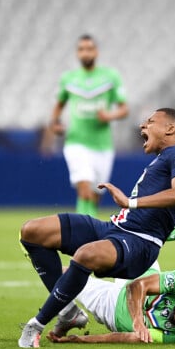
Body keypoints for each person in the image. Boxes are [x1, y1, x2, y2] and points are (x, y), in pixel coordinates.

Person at [18, 107, 175, 348]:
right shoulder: (168, 164)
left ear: (170, 129)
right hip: (113, 228)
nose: (143, 126)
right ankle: (69, 312)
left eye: (151, 122)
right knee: (33, 232)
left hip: (139, 244)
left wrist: (130, 202)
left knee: (85, 256)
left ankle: (35, 326)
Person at [40, 34, 128, 217]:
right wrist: (54, 124)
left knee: (95, 195)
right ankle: (82, 233)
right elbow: (58, 106)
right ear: (77, 53)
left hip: (103, 144)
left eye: (89, 49)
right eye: (81, 49)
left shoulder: (110, 76)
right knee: (84, 187)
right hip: (76, 141)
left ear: (96, 51)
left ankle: (88, 227)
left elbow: (124, 109)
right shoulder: (69, 78)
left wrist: (109, 115)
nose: (85, 53)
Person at [45, 265, 175, 344]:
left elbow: (128, 337)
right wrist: (138, 318)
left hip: (115, 307)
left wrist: (80, 340)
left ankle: (71, 316)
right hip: (139, 278)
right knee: (143, 236)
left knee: (61, 276)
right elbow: (138, 286)